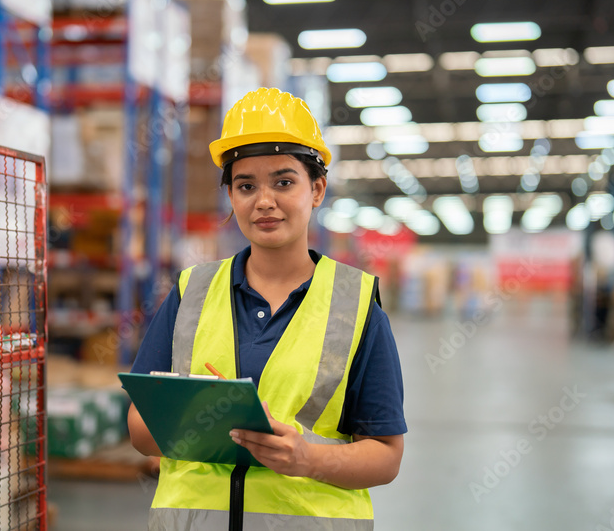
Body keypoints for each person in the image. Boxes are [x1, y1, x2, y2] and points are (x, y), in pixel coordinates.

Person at [127, 87, 406, 530]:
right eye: (245, 185)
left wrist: (307, 458)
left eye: (283, 181)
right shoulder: (190, 292)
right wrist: (199, 420)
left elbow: (386, 456)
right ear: (232, 197)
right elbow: (140, 428)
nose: (264, 201)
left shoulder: (355, 306)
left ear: (316, 189)